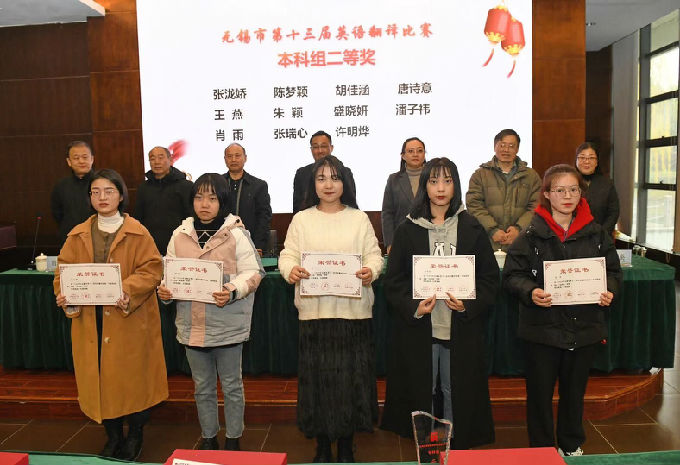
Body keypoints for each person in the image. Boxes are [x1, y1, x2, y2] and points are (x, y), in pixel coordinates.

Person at [502, 164, 621, 457]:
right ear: (547, 194)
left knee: (574, 392)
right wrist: (531, 292)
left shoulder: (597, 234)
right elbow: (512, 276)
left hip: (584, 328)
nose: (567, 196)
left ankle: (570, 444)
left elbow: (613, 272)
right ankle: (542, 449)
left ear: (581, 194)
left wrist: (609, 290)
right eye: (560, 190)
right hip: (542, 329)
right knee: (539, 395)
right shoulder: (531, 235)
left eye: (573, 190)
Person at [381, 157, 499, 449]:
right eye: (434, 182)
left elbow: (489, 280)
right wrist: (414, 307)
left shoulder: (472, 227)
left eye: (447, 181)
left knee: (453, 387)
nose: (441, 188)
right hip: (422, 327)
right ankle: (429, 445)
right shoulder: (408, 229)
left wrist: (468, 305)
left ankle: (454, 443)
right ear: (425, 186)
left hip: (460, 328)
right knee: (423, 388)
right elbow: (393, 282)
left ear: (456, 185)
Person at [53, 169, 168, 461]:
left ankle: (136, 435)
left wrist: (127, 289)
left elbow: (153, 269)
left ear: (121, 195)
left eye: (108, 191)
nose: (101, 197)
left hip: (127, 319)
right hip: (91, 322)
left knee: (133, 381)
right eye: (95, 192)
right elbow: (62, 273)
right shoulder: (77, 234)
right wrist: (66, 296)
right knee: (101, 381)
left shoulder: (138, 232)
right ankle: (114, 436)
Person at [279, 155, 383, 463]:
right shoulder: (302, 219)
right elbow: (287, 255)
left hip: (353, 315)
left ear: (345, 183)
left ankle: (347, 444)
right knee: (318, 383)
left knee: (351, 382)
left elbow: (374, 255)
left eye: (335, 178)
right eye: (321, 178)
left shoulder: (358, 218)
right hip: (315, 314)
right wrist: (290, 270)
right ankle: (322, 445)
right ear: (312, 184)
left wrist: (371, 271)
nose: (328, 185)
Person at [157, 173, 264, 451]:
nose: (204, 204)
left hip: (227, 326)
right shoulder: (179, 235)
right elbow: (169, 273)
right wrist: (165, 291)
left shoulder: (236, 234)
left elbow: (254, 273)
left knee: (231, 386)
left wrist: (232, 290)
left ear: (222, 201)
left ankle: (233, 439)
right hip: (192, 326)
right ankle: (208, 437)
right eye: (199, 197)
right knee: (202, 387)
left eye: (212, 198)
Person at [466, 129, 541, 251]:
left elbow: (536, 206)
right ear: (495, 146)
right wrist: (492, 230)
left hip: (521, 243)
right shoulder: (480, 175)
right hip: (488, 242)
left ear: (517, 149)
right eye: (502, 145)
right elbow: (474, 205)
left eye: (511, 146)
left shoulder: (531, 176)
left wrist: (519, 229)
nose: (506, 150)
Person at [134, 146, 193, 255]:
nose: (156, 162)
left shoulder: (186, 186)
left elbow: (191, 217)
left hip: (179, 244)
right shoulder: (144, 187)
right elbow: (138, 218)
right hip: (150, 245)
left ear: (170, 160)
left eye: (161, 157)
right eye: (152, 158)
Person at [222, 142, 273, 252]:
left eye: (237, 155)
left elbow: (263, 218)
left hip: (250, 244)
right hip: (221, 244)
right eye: (229, 156)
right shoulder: (217, 184)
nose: (233, 159)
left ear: (245, 158)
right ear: (225, 159)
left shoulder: (258, 185)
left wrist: (258, 246)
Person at [292, 130, 357, 213]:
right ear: (311, 149)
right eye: (315, 147)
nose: (320, 151)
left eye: (324, 146)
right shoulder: (302, 173)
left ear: (331, 148)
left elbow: (350, 202)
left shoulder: (344, 171)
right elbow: (297, 207)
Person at [381, 137, 426, 252]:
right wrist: (390, 243)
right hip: (401, 239)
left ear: (424, 154)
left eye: (420, 151)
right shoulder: (394, 179)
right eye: (410, 151)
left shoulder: (433, 178)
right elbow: (387, 213)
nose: (415, 154)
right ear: (403, 156)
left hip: (429, 237)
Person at [50, 141, 95, 245]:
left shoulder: (103, 182)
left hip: (99, 239)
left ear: (92, 159)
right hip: (70, 240)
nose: (81, 161)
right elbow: (57, 214)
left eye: (85, 157)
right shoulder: (61, 186)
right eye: (76, 158)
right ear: (69, 161)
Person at [575, 142, 620, 235]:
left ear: (596, 162)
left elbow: (613, 213)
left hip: (600, 236)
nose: (586, 161)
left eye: (591, 158)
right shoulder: (567, 182)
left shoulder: (607, 184)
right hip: (572, 237)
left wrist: (601, 234)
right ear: (576, 161)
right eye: (582, 157)